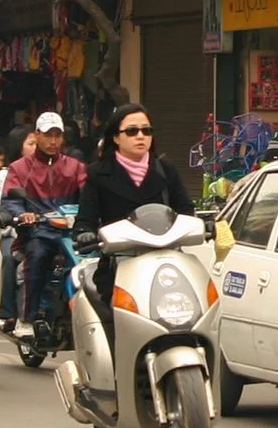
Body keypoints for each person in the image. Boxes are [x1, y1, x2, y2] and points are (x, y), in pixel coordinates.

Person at [74, 105, 196, 327]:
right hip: (119, 263)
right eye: (132, 131)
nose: (140, 136)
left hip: (166, 263)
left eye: (146, 130)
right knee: (119, 319)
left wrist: (201, 226)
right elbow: (85, 220)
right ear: (116, 137)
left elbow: (186, 210)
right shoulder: (97, 173)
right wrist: (85, 234)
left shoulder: (166, 169)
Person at [1, 111, 87, 331]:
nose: (53, 141)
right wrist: (23, 215)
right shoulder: (19, 168)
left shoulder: (75, 167)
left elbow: (89, 195)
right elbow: (10, 200)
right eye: (48, 135)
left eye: (57, 135)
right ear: (37, 135)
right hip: (36, 232)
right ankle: (27, 319)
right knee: (37, 256)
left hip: (71, 233)